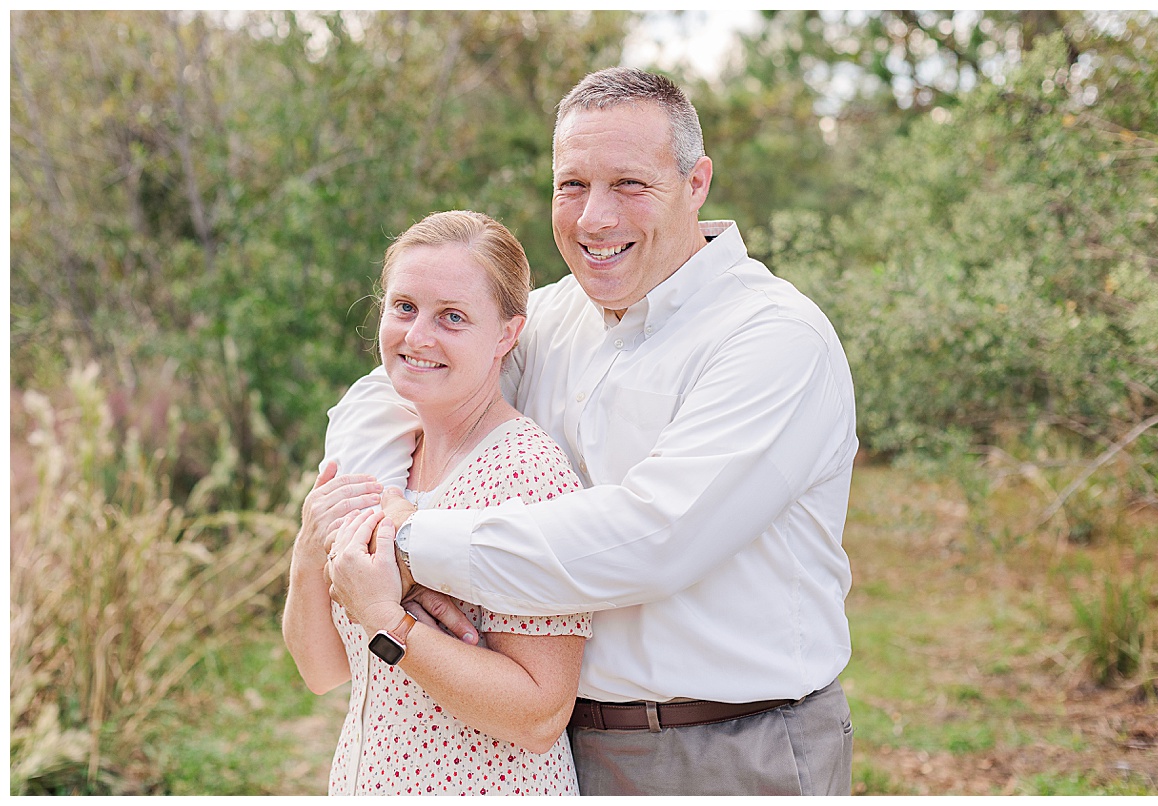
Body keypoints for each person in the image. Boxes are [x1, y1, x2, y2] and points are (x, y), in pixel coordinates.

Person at [329, 67, 858, 796]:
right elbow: (394, 388)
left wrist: (411, 544)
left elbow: (654, 536)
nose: (593, 219)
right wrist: (371, 514)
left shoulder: (772, 338)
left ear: (696, 182)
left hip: (731, 748)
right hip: (562, 750)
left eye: (629, 185)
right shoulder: (554, 318)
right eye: (571, 185)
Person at [283, 210, 592, 795]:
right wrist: (308, 547)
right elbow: (322, 673)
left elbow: (539, 717)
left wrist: (388, 620)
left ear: (506, 335)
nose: (417, 336)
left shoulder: (526, 473)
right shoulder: (384, 457)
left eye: (452, 317)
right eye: (404, 308)